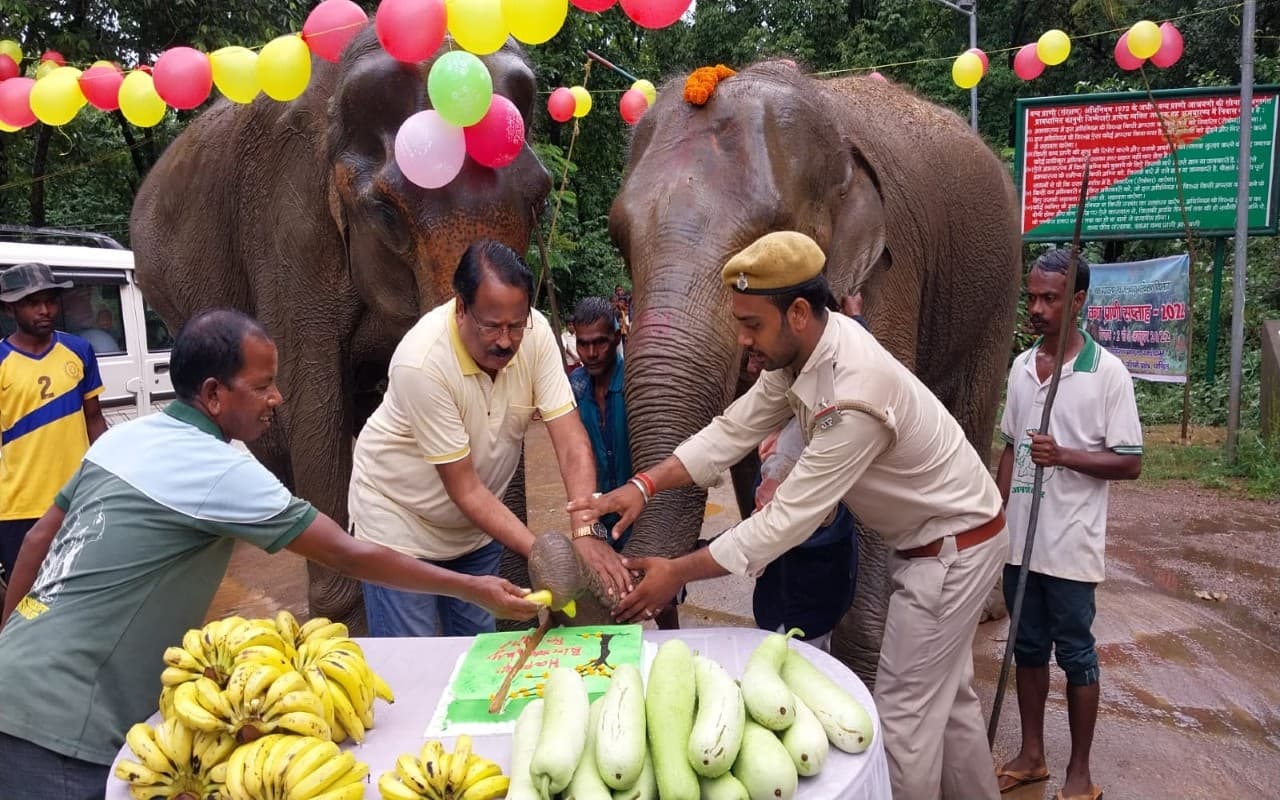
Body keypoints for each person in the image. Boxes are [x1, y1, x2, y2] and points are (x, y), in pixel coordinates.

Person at [0, 308, 537, 800]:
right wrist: (470, 587)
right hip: (65, 726)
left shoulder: (122, 439)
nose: (277, 397)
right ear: (213, 395)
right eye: (262, 386)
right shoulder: (220, 471)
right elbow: (348, 555)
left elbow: (37, 540)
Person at [571, 231, 1008, 800]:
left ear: (798, 312)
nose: (742, 338)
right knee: (950, 707)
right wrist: (644, 483)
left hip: (951, 551)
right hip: (948, 539)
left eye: (752, 324)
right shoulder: (805, 354)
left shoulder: (853, 394)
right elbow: (733, 430)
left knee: (903, 721)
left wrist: (676, 572)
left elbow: (784, 524)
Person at [349, 241, 630, 638]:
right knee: (413, 664)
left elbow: (570, 439)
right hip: (400, 529)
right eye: (491, 326)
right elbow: (465, 489)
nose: (505, 340)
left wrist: (585, 528)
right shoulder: (422, 363)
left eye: (515, 325)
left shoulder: (535, 335)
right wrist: (550, 556)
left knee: (473, 658)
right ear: (461, 307)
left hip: (474, 535)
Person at [994, 250, 1142, 800]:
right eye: (1031, 297)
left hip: (1071, 547)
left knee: (1075, 653)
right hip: (1020, 546)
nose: (1036, 308)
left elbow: (1130, 461)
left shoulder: (1107, 375)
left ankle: (1079, 773)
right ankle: (1032, 755)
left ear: (1079, 301)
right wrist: (997, 513)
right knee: (1026, 648)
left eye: (1050, 299)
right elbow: (1010, 447)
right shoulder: (1020, 367)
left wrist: (1067, 456)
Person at [0, 263, 108, 584]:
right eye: (33, 303)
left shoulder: (79, 351)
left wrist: (107, 479)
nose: (45, 310)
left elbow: (94, 420)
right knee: (28, 602)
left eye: (50, 301)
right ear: (9, 308)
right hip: (19, 507)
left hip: (77, 499)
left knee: (81, 593)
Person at [568, 298, 632, 550]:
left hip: (640, 514)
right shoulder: (575, 386)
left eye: (600, 342)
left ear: (616, 337)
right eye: (583, 344)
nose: (591, 354)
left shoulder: (635, 381)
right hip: (597, 519)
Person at [62, 289, 121, 355]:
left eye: (108, 319)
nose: (105, 322)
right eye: (82, 299)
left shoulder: (116, 334)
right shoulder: (97, 338)